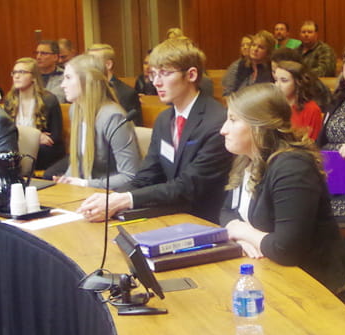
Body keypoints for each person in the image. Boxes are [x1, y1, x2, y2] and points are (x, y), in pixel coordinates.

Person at [77, 38, 232, 224]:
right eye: (153, 74)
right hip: (169, 210)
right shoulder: (164, 120)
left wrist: (125, 200)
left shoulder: (217, 122)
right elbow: (148, 175)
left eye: (165, 73)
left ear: (191, 75)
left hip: (203, 219)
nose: (156, 82)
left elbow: (189, 186)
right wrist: (111, 198)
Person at [219, 83, 345, 292]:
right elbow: (227, 211)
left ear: (259, 126)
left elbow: (287, 250)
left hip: (316, 285)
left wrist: (243, 231)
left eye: (233, 120)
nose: (223, 130)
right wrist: (240, 235)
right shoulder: (246, 159)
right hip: (271, 272)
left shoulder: (293, 167)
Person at [53, 55, 141, 190]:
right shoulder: (75, 110)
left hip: (112, 196)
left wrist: (85, 184)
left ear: (87, 81)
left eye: (68, 78)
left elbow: (130, 175)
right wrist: (67, 180)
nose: (62, 85)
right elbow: (77, 161)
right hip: (88, 192)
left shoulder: (112, 117)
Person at [2, 57, 64, 170]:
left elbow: (55, 137)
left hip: (43, 150)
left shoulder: (49, 100)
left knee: (37, 151)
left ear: (34, 77)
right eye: (14, 72)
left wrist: (32, 140)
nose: (16, 76)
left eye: (22, 72)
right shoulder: (10, 100)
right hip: (18, 145)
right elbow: (6, 130)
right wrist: (34, 136)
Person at [88, 43, 143, 125]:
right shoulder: (86, 90)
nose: (87, 66)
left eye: (92, 62)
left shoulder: (126, 94)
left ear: (108, 64)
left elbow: (132, 129)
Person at [272, 60, 323, 140]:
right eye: (276, 80)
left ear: (298, 83)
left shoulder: (311, 109)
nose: (277, 85)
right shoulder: (272, 105)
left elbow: (310, 143)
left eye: (284, 81)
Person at [227, 30, 276, 95]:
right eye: (253, 45)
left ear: (268, 52)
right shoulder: (243, 64)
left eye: (261, 47)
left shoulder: (271, 69)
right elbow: (234, 89)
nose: (255, 49)